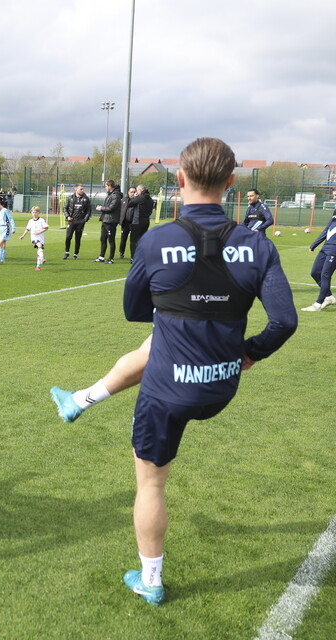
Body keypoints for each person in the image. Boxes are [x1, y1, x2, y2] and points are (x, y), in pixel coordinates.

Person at [49, 137, 297, 606]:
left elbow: (133, 309)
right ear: (230, 183)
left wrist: (180, 307)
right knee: (158, 341)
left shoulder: (159, 239)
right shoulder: (257, 245)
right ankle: (79, 401)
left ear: (179, 180)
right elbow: (285, 321)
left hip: (169, 391)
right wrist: (250, 351)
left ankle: (151, 580)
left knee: (151, 482)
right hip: (222, 384)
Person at [301, 195, 336, 311]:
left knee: (325, 275)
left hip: (334, 249)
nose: (334, 197)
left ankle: (318, 304)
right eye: (334, 195)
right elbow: (327, 229)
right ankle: (330, 297)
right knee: (315, 272)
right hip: (326, 247)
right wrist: (314, 244)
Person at [94, 179, 121, 263]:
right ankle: (101, 256)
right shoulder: (110, 194)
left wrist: (101, 208)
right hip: (105, 219)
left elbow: (111, 208)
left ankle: (111, 258)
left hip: (111, 221)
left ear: (109, 186)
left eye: (106, 185)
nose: (105, 187)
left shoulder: (116, 195)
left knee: (111, 240)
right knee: (103, 239)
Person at [63, 183, 92, 259]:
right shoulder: (70, 198)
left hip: (80, 221)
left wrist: (85, 219)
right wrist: (67, 216)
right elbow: (65, 208)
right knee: (68, 237)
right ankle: (67, 252)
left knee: (78, 238)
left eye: (83, 189)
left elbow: (89, 210)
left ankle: (76, 254)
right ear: (76, 189)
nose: (82, 190)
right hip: (72, 221)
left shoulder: (86, 198)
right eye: (81, 189)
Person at [127, 184, 154, 260]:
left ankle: (134, 257)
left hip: (137, 221)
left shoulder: (140, 198)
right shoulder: (150, 199)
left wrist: (135, 197)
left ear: (140, 190)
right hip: (146, 221)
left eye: (137, 190)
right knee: (142, 240)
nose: (136, 192)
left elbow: (130, 204)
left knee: (133, 240)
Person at [19, 205, 49, 270]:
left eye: (36, 212)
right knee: (39, 245)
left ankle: (38, 266)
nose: (34, 214)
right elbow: (27, 229)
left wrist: (39, 232)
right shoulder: (30, 221)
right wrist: (23, 236)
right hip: (34, 238)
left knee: (39, 251)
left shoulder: (41, 220)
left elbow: (46, 228)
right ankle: (42, 258)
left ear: (39, 213)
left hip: (40, 238)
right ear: (31, 213)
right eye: (33, 212)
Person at [0, 200, 15, 264]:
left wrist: (13, 228)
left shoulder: (5, 210)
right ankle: (2, 260)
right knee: (3, 244)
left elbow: (11, 219)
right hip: (1, 228)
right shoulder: (0, 212)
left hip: (6, 228)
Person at [119, 186, 137, 261]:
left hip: (134, 223)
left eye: (134, 192)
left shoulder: (137, 201)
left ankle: (133, 255)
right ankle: (121, 253)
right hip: (125, 223)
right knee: (123, 239)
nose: (132, 193)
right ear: (128, 192)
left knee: (133, 240)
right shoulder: (124, 200)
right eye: (131, 192)